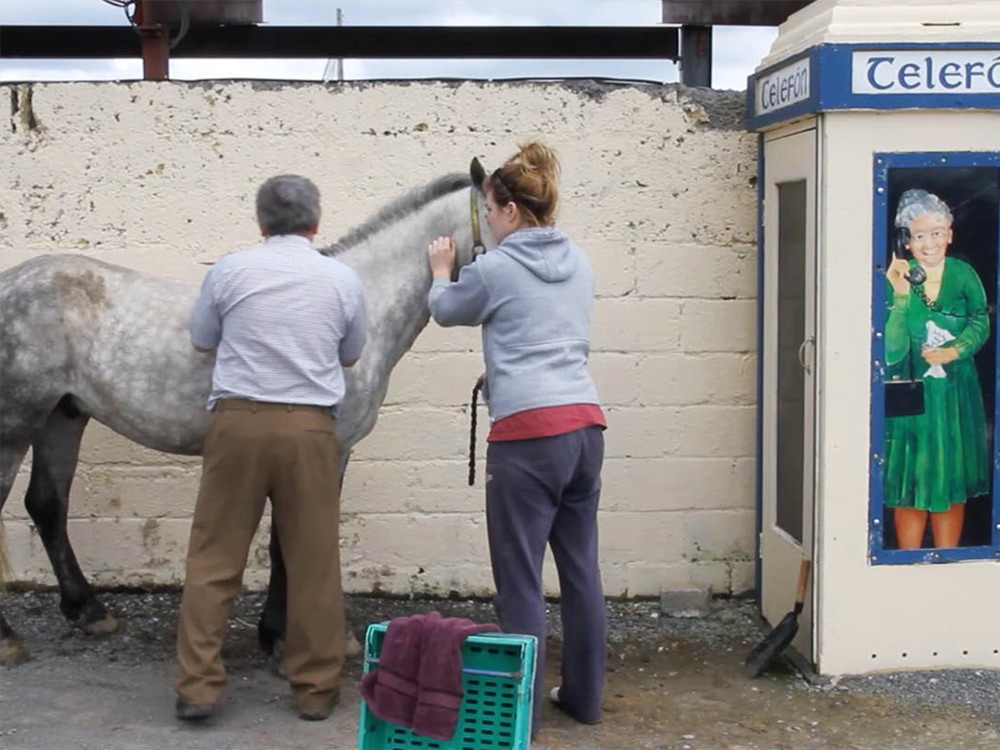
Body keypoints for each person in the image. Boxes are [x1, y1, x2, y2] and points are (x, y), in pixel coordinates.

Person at [426, 142, 607, 735]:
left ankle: (518, 715)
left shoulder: (496, 266)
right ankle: (583, 699)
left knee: (520, 578)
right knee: (581, 570)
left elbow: (449, 310)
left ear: (504, 210)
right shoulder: (579, 261)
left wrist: (439, 272)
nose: (486, 220)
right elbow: (546, 335)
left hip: (528, 437)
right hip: (584, 424)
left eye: (487, 209)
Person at [175, 174, 367, 721]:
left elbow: (201, 341)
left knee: (214, 558)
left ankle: (198, 686)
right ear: (316, 222)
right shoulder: (342, 279)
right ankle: (314, 689)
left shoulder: (230, 271)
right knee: (313, 562)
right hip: (308, 429)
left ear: (260, 223)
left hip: (237, 423)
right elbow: (350, 356)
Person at [883, 188, 989, 549]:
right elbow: (890, 349)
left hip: (955, 392)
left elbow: (980, 321)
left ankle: (948, 559)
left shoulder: (963, 274)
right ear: (905, 241)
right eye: (919, 235)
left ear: (950, 234)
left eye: (937, 232)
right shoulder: (898, 279)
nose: (930, 244)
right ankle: (905, 560)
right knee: (911, 481)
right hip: (912, 395)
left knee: (951, 477)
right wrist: (897, 295)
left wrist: (955, 350)